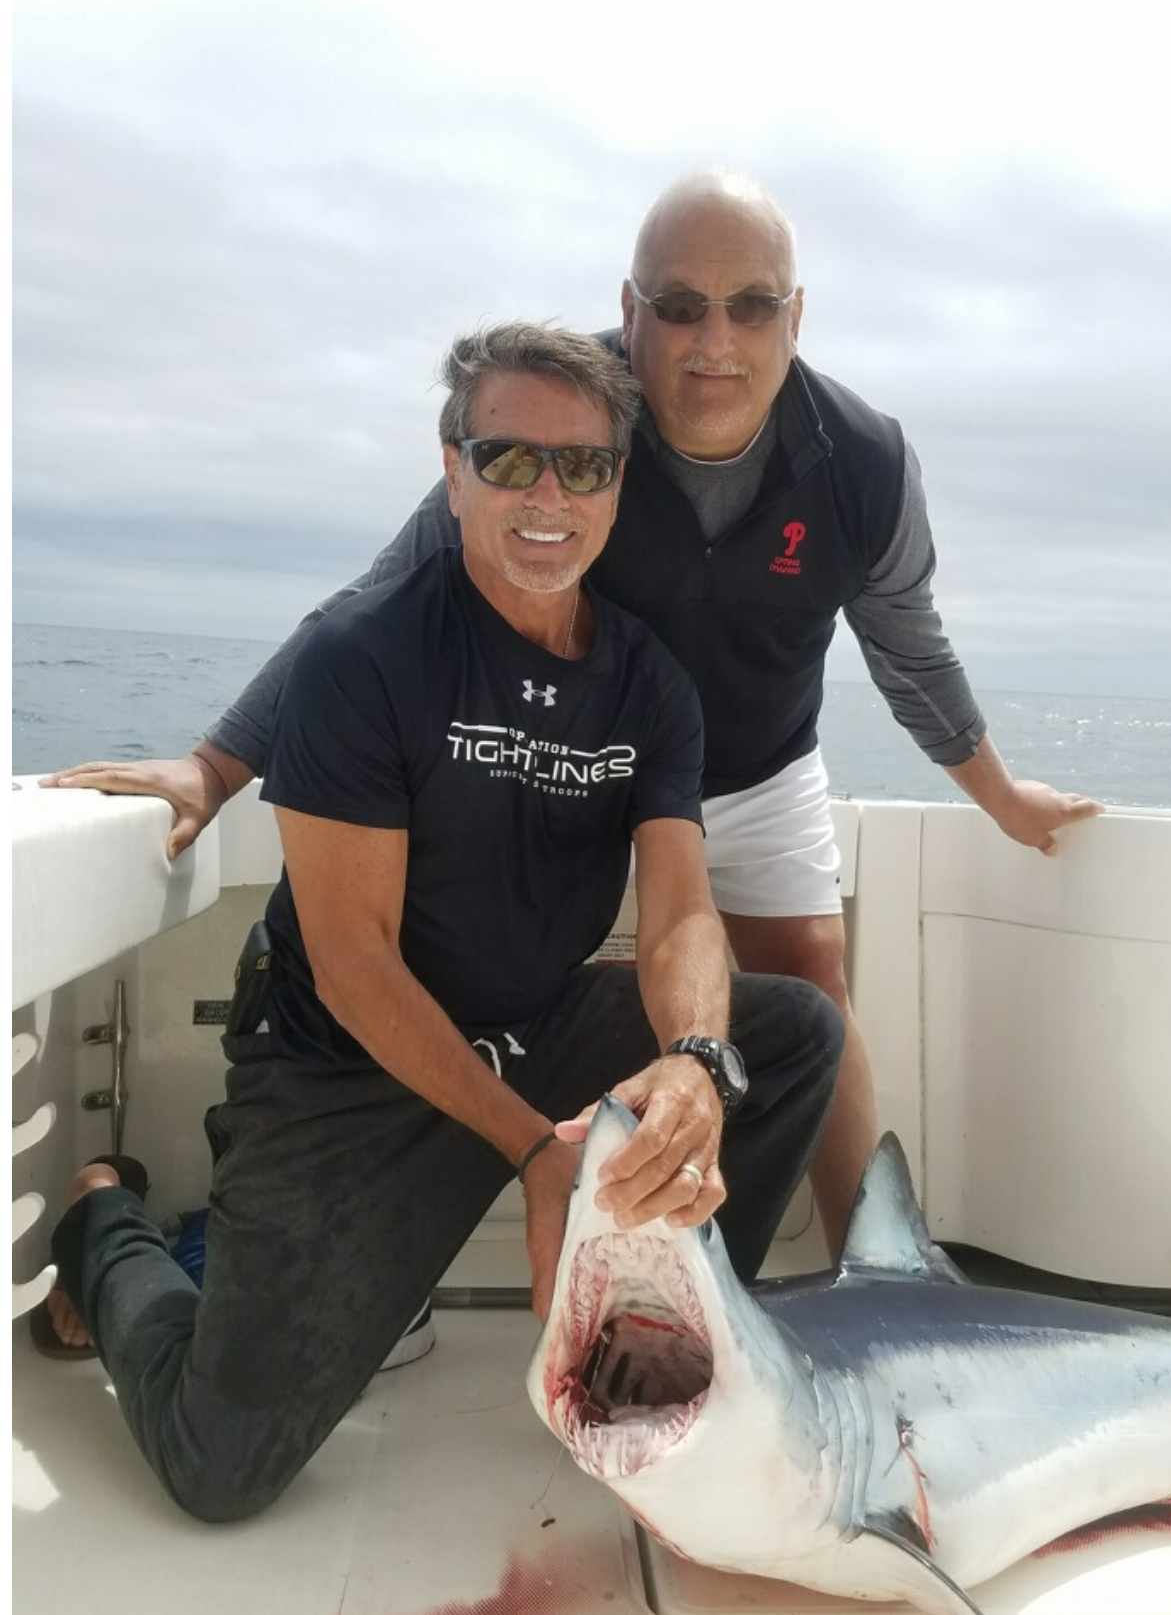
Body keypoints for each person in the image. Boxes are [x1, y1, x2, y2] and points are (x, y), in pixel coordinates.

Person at [45, 171, 1099, 1252]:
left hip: (757, 764)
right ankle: (404, 1229)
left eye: (749, 306)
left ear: (795, 317)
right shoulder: (568, 420)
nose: (712, 342)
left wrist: (998, 795)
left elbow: (907, 648)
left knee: (812, 985)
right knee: (455, 964)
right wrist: (216, 767)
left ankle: (877, 1274)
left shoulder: (862, 464)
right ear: (631, 310)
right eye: (679, 305)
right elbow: (379, 600)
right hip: (574, 757)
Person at [38, 323, 844, 1522]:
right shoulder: (360, 659)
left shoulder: (646, 681)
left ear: (620, 484)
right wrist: (534, 1149)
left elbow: (678, 908)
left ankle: (652, 1335)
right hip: (345, 1062)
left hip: (531, 1028)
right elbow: (356, 968)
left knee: (782, 1037)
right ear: (452, 470)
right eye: (508, 459)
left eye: (584, 466)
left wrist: (691, 1063)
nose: (547, 498)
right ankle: (108, 1219)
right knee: (218, 1466)